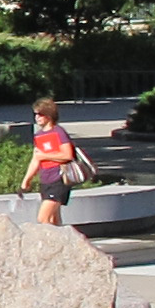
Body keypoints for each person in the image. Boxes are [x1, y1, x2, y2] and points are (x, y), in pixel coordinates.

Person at [28, 96, 96, 226]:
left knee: (43, 219)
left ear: (49, 115)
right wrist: (26, 180)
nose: (37, 117)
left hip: (59, 179)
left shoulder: (59, 132)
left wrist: (45, 156)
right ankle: (64, 244)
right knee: (54, 220)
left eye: (40, 114)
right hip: (45, 179)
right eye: (35, 114)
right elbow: (35, 159)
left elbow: (67, 155)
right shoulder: (38, 135)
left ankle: (51, 244)